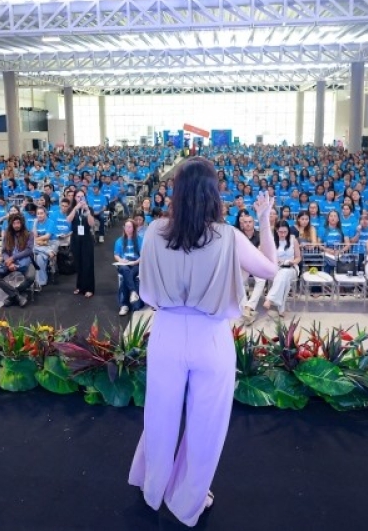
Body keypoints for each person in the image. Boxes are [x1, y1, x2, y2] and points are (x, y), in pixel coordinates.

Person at [128, 157, 277, 527]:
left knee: (159, 417)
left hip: (166, 333)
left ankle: (153, 488)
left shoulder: (154, 231)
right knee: (205, 426)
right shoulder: (229, 236)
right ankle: (188, 499)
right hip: (210, 337)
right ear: (214, 192)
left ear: (176, 191)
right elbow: (270, 269)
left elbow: (146, 289)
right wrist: (264, 221)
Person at [0, 214, 35, 307]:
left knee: (31, 277)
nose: (16, 225)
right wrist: (9, 262)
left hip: (25, 262)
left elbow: (28, 250)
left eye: (18, 223)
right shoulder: (7, 235)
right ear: (11, 224)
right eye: (14, 223)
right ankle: (17, 296)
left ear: (22, 223)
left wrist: (13, 258)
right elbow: (4, 251)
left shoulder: (29, 234)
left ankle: (12, 296)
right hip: (9, 262)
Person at [262, 220, 301, 317]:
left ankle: (270, 299)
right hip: (277, 268)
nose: (283, 234)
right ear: (276, 230)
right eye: (280, 232)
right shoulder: (272, 241)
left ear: (288, 231)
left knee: (284, 273)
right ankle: (281, 308)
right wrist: (276, 261)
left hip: (291, 268)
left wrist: (293, 262)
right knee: (284, 279)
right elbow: (267, 257)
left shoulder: (293, 240)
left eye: (285, 232)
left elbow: (298, 257)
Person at [67, 189, 96, 298]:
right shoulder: (72, 209)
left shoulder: (89, 208)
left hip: (86, 238)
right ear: (75, 198)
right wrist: (75, 208)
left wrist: (87, 210)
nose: (80, 198)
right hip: (75, 238)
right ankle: (79, 286)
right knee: (78, 263)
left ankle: (89, 288)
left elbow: (91, 224)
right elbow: (68, 220)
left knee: (87, 263)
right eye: (78, 196)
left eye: (82, 196)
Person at [114, 219, 144, 316]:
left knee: (127, 277)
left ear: (133, 228)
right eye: (126, 227)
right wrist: (121, 260)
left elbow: (143, 255)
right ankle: (133, 293)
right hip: (124, 264)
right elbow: (116, 255)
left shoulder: (139, 240)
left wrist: (135, 262)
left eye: (130, 227)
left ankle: (124, 305)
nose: (127, 229)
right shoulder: (119, 241)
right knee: (125, 270)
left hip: (136, 263)